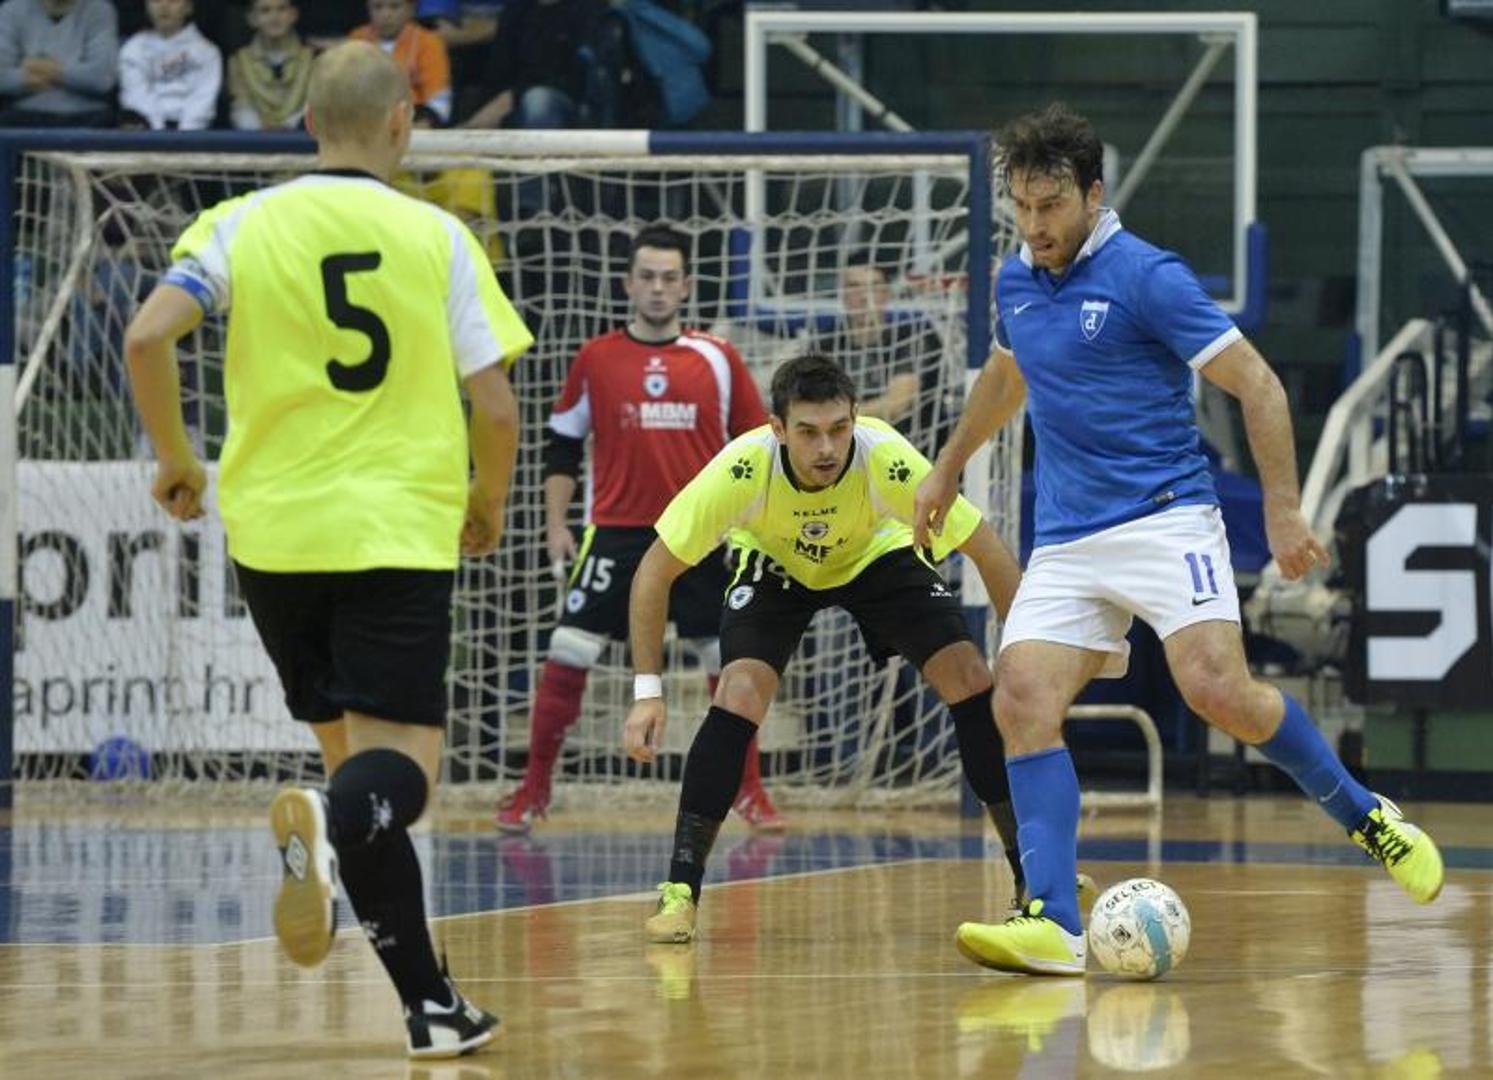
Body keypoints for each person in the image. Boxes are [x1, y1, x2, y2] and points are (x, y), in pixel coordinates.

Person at [915, 103, 1445, 977]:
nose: (1035, 226)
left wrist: (1281, 510)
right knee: (1020, 697)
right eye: (1023, 207)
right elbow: (1007, 376)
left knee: (1216, 691)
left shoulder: (1147, 276)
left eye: (1051, 206)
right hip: (1069, 536)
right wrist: (946, 468)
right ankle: (1052, 922)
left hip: (1165, 517)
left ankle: (1368, 817)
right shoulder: (1015, 279)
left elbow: (1259, 386)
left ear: (1093, 194)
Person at [122, 41, 533, 1056]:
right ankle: (315, 809)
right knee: (399, 781)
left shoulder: (240, 222)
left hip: (273, 537)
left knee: (363, 789)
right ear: (403, 122)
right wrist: (486, 501)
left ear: (306, 123)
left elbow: (145, 336)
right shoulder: (437, 236)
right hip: (393, 532)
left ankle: (430, 1008)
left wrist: (175, 458)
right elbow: (494, 407)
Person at [622, 354, 1029, 944]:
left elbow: (988, 551)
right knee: (738, 692)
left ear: (855, 418)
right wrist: (647, 693)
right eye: (808, 432)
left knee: (970, 676)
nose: (827, 448)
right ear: (777, 429)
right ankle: (680, 891)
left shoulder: (885, 459)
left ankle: (1032, 876)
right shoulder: (743, 468)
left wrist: (1023, 664)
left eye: (839, 429)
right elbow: (653, 573)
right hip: (777, 565)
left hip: (877, 555)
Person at [496, 223, 786, 834]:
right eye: (647, 277)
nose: (657, 288)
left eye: (668, 278)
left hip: (703, 537)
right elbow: (561, 447)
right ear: (628, 284)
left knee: (732, 663)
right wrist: (555, 524)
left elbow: (759, 450)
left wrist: (757, 527)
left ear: (686, 285)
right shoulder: (596, 358)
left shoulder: (718, 357)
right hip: (617, 536)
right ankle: (534, 788)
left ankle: (750, 791)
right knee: (567, 653)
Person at [814, 250, 949, 457]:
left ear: (886, 294)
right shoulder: (826, 345)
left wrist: (832, 417)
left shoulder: (913, 337)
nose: (864, 296)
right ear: (843, 294)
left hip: (915, 454)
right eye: (855, 286)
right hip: (849, 454)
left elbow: (897, 404)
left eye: (873, 287)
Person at [461, 0, 603, 130]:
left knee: (539, 101)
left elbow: (579, 78)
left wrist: (515, 96)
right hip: (512, 103)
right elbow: (497, 73)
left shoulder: (590, 10)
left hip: (567, 103)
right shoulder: (516, 9)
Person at [0, 0, 118, 128]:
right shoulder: (11, 10)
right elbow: (2, 78)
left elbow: (102, 78)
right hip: (21, 116)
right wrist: (71, 77)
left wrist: (37, 67)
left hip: (90, 117)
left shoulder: (99, 9)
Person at [117, 0, 222, 131]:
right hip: (146, 131)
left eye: (173, 1)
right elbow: (136, 97)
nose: (164, 6)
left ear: (188, 7)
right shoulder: (133, 49)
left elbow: (203, 101)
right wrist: (158, 134)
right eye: (156, 1)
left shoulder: (208, 52)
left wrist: (184, 137)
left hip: (194, 133)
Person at [352, 0, 451, 126]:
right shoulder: (357, 39)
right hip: (363, 122)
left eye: (395, 7)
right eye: (377, 7)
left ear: (411, 9)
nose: (386, 14)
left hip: (414, 122)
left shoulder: (429, 43)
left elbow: (439, 103)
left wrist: (418, 129)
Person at [227, 0, 315, 131]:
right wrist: (261, 130)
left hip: (300, 137)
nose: (274, 18)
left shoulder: (314, 60)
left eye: (282, 9)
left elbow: (314, 105)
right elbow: (241, 107)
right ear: (252, 18)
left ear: (293, 15)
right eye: (265, 10)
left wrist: (290, 126)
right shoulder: (239, 62)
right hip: (255, 138)